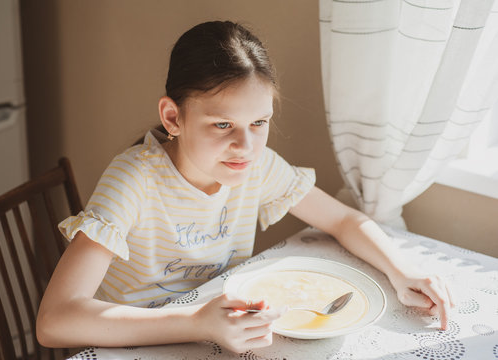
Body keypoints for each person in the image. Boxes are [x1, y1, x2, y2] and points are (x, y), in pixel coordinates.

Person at [36, 20, 453, 354]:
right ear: (172, 117)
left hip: (210, 336)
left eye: (259, 123)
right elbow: (55, 322)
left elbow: (343, 219)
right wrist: (196, 322)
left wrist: (404, 273)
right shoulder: (134, 180)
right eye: (222, 125)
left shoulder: (255, 166)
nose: (246, 146)